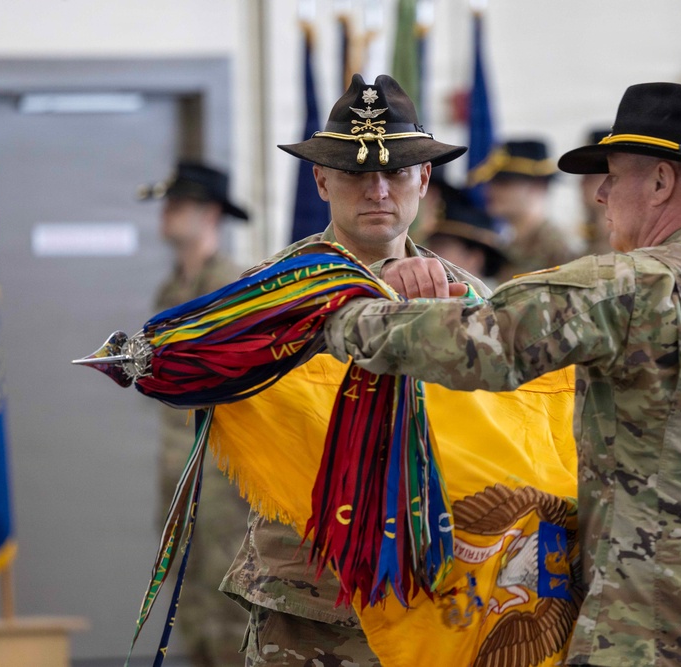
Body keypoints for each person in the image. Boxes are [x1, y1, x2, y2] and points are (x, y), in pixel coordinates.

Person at [322, 82, 681, 665]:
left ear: (662, 182)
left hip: (663, 634)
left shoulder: (637, 285)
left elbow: (481, 342)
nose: (601, 195)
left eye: (612, 175)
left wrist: (337, 314)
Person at [218, 73, 488, 667]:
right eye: (356, 174)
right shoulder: (267, 290)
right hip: (308, 592)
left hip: (434, 584)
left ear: (424, 178)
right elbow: (232, 382)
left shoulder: (466, 297)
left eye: (395, 172)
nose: (378, 191)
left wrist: (441, 331)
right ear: (321, 180)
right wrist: (360, 303)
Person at [140, 160, 250, 667]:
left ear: (209, 214)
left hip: (222, 471)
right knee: (185, 595)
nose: (166, 214)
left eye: (178, 205)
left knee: (227, 596)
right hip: (178, 463)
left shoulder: (231, 287)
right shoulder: (170, 291)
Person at [467, 138, 576, 280]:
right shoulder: (506, 246)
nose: (490, 190)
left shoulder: (558, 251)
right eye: (491, 182)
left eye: (504, 183)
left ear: (538, 186)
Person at [424, 184, 508, 289]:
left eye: (440, 246)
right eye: (431, 245)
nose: (427, 253)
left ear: (474, 259)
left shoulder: (497, 303)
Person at [576, 127, 614, 256]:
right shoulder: (587, 245)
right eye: (583, 175)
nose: (583, 183)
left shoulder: (635, 245)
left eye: (592, 174)